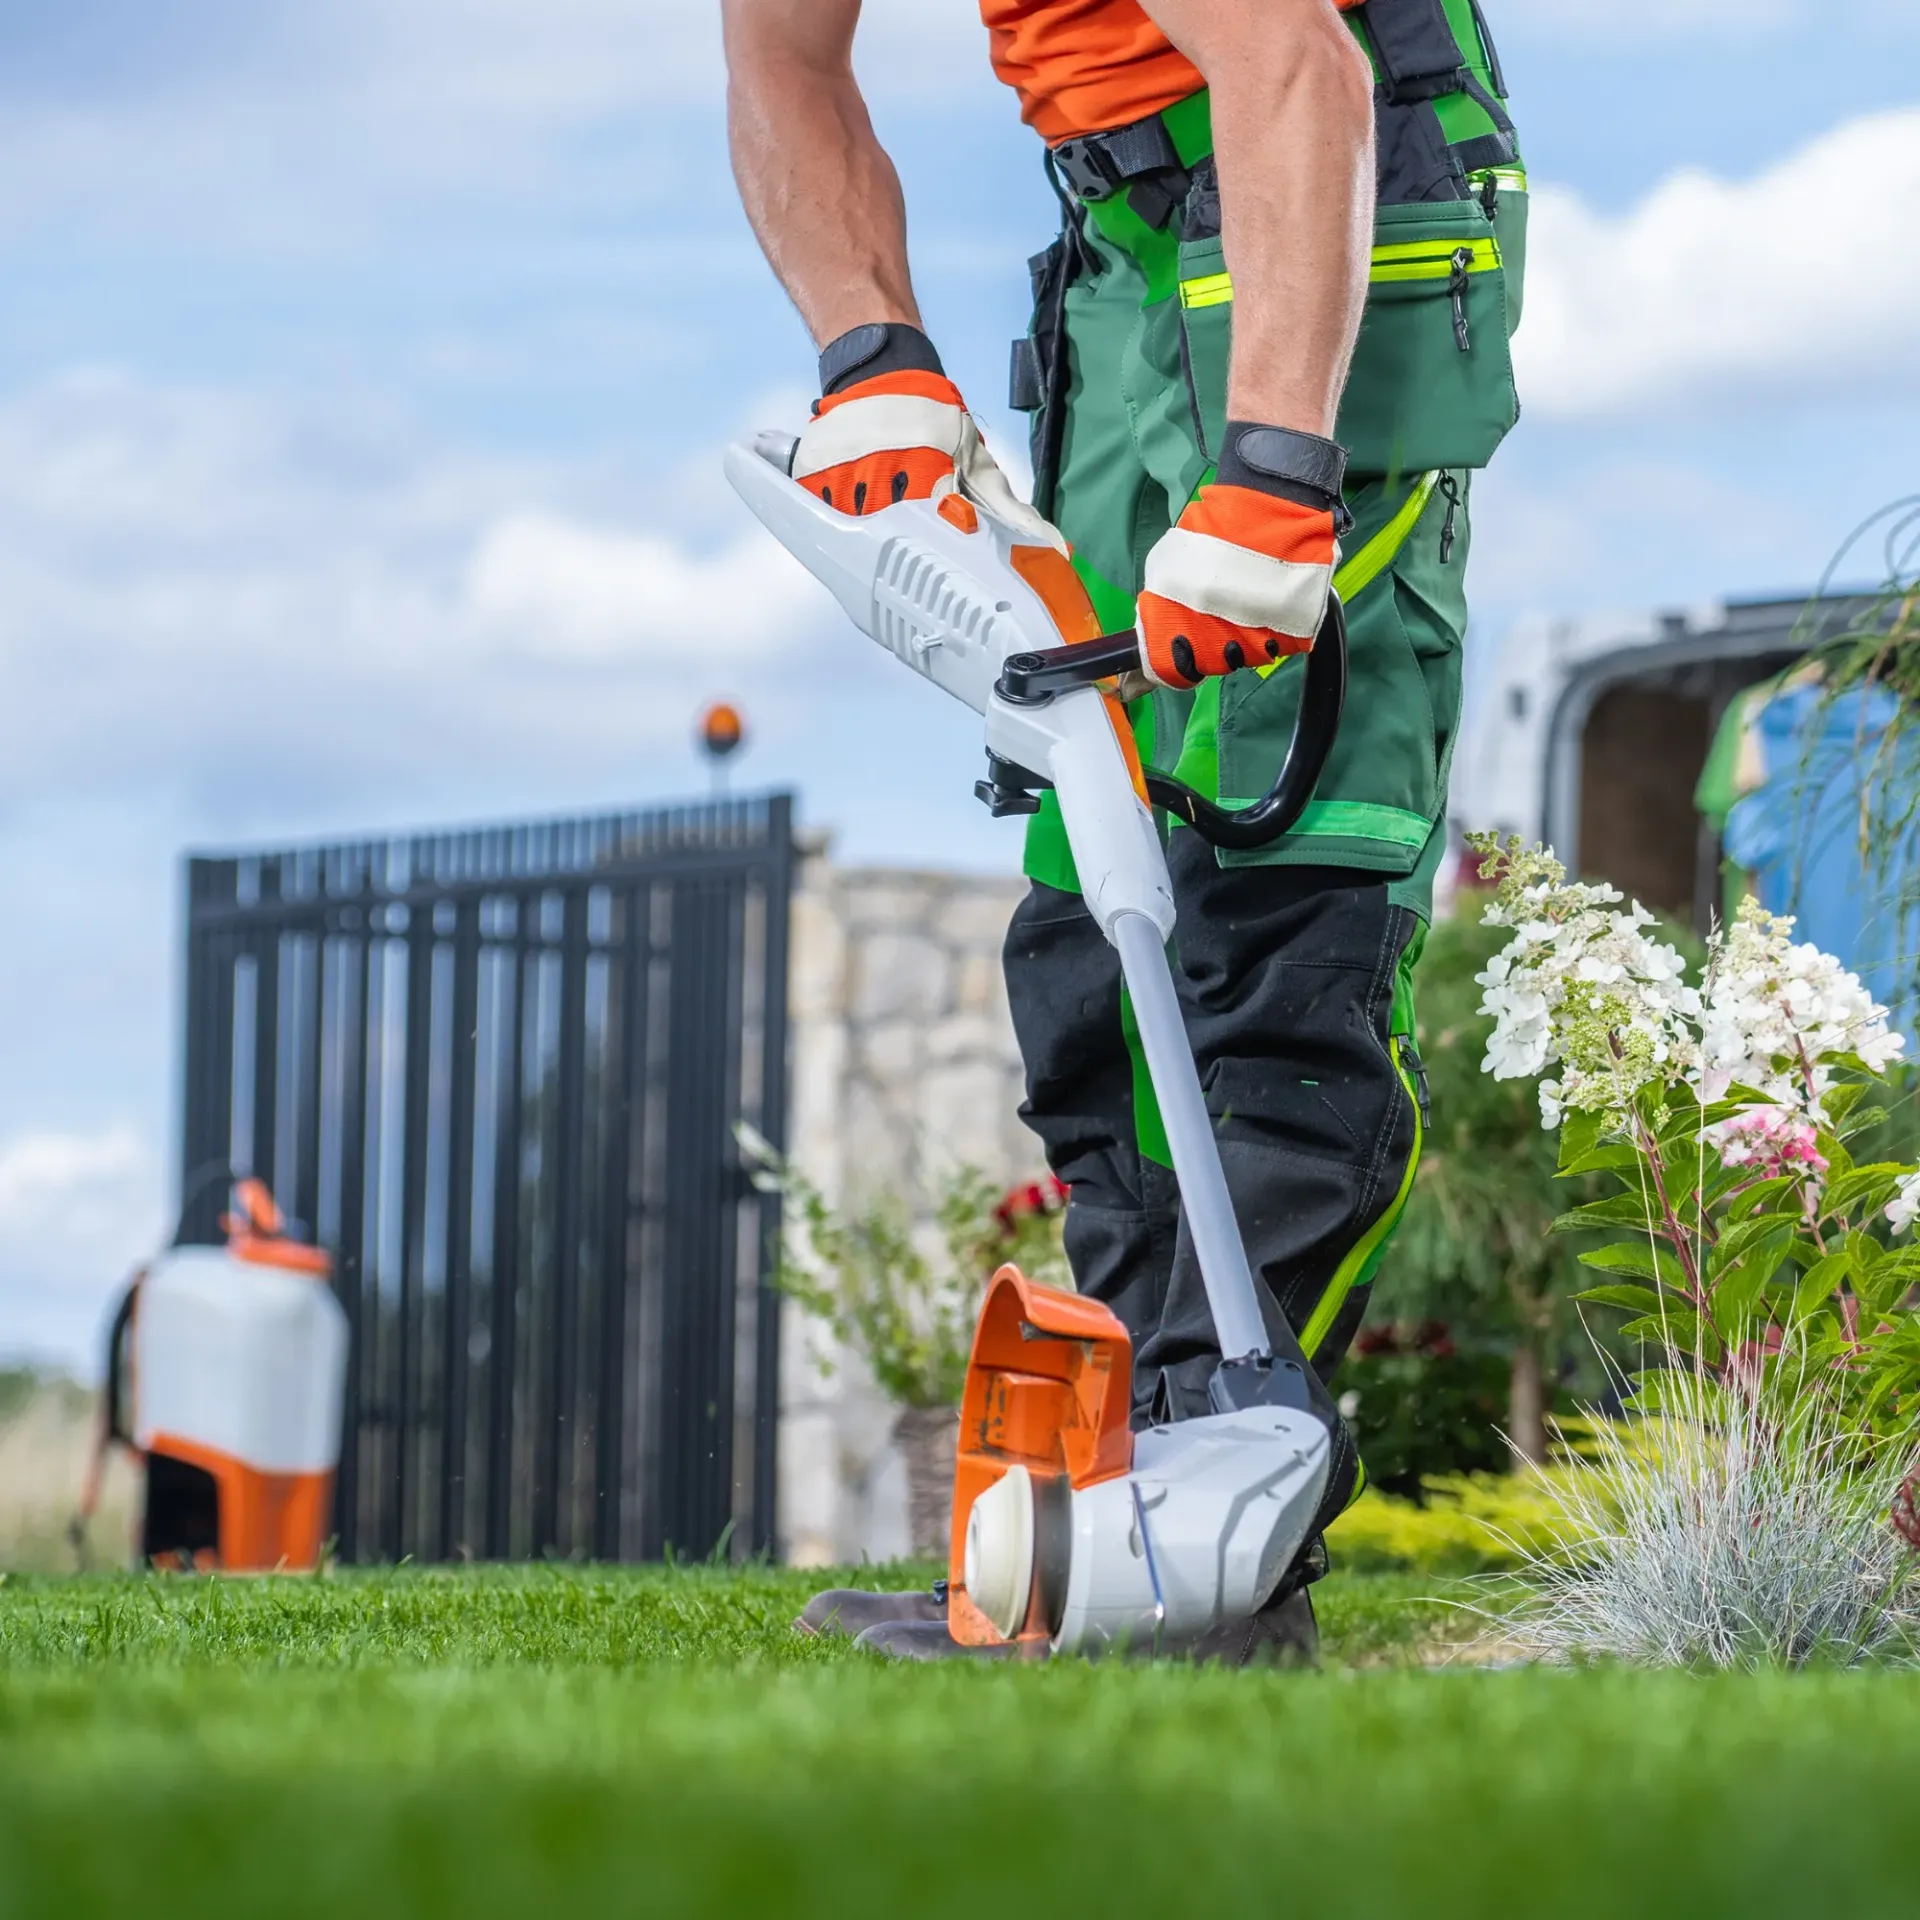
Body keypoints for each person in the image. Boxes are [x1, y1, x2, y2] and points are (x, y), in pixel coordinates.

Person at [724, 0, 1525, 1661]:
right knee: (1092, 907)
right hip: (1116, 235)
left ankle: (1214, 1568)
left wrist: (1279, 476)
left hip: (1338, 177)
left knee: (1277, 888)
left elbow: (1298, 65)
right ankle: (1117, 1531)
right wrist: (870, 351)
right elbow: (785, 65)